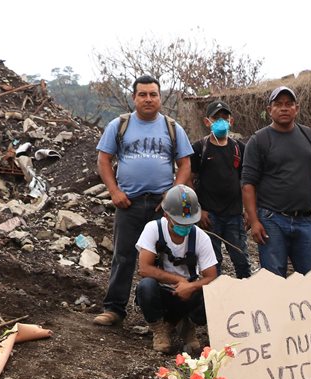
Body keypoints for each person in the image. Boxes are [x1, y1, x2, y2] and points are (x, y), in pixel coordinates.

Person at [93, 75, 193, 326]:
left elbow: (185, 164)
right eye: (143, 94)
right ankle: (114, 309)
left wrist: (173, 194)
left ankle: (169, 315)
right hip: (130, 204)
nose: (148, 99)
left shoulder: (172, 127)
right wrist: (114, 192)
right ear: (134, 98)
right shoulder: (119, 125)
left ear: (160, 97)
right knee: (123, 256)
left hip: (163, 207)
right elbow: (103, 160)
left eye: (153, 94)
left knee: (169, 258)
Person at [241, 86, 311, 277]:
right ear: (269, 110)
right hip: (272, 220)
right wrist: (254, 221)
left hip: (305, 220)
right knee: (273, 280)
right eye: (278, 104)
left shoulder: (309, 136)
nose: (284, 108)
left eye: (289, 104)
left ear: (297, 108)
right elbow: (248, 184)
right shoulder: (259, 140)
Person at [134, 185, 218, 354]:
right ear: (166, 215)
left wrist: (191, 286)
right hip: (163, 292)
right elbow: (144, 269)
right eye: (180, 223)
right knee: (146, 287)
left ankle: (188, 324)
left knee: (209, 294)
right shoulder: (153, 229)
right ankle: (160, 329)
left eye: (189, 223)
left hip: (188, 294)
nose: (185, 227)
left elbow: (212, 277)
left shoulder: (201, 238)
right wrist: (178, 280)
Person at [190, 100, 249, 279]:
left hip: (234, 215)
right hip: (209, 217)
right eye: (216, 118)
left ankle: (247, 299)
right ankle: (215, 302)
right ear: (207, 121)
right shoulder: (200, 148)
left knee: (241, 260)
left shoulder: (239, 148)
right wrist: (199, 210)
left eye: (225, 117)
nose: (221, 121)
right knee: (212, 263)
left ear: (231, 121)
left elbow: (246, 182)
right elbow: (189, 180)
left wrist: (247, 210)